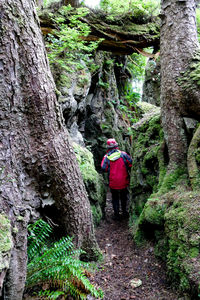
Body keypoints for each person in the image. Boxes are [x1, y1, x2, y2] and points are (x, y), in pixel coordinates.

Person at [101, 138, 132, 220]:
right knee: (124, 197)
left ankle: (117, 215)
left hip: (113, 182)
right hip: (124, 181)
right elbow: (131, 163)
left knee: (115, 198)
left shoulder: (107, 157)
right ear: (116, 146)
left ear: (108, 148)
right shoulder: (123, 154)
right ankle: (125, 212)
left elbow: (103, 168)